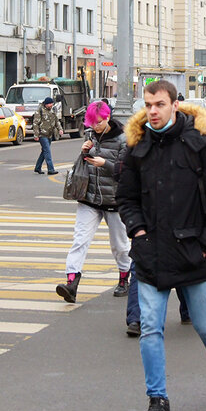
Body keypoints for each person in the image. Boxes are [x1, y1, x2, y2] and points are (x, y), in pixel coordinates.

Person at [117, 80, 206, 411]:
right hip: (151, 255)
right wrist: (138, 232)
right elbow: (126, 198)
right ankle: (158, 401)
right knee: (150, 328)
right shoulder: (137, 147)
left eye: (158, 104)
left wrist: (204, 245)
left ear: (175, 105)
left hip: (194, 256)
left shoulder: (203, 146)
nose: (152, 111)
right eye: (148, 104)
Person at [56, 100, 132, 304]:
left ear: (107, 118)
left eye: (98, 122)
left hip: (114, 201)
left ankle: (124, 278)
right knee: (79, 240)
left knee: (120, 245)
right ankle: (71, 282)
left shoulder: (124, 139)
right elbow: (83, 164)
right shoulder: (90, 134)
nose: (94, 126)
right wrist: (84, 152)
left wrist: (105, 164)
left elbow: (126, 170)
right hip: (89, 198)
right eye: (91, 123)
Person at [32, 97, 62, 175]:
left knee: (44, 152)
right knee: (47, 151)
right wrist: (36, 134)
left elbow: (56, 121)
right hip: (42, 134)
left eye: (52, 104)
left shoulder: (52, 110)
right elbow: (35, 123)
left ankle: (37, 167)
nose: (51, 105)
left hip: (49, 134)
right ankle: (51, 169)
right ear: (46, 104)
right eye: (50, 104)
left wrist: (60, 129)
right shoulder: (40, 110)